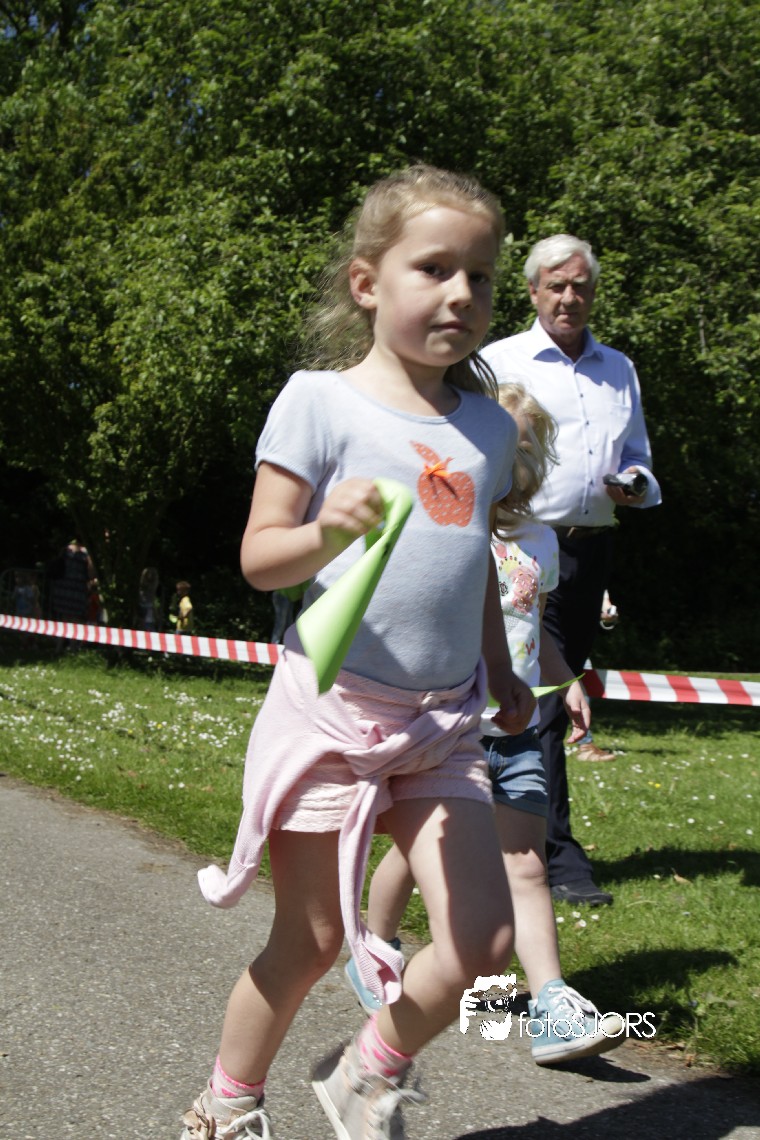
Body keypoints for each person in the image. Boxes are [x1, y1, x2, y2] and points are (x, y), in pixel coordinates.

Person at [179, 165, 535, 1140]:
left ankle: (364, 1070)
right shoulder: (320, 403)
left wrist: (502, 667)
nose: (461, 294)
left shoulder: (488, 428)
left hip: (442, 721)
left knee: (482, 943)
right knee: (310, 940)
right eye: (435, 269)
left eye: (480, 276)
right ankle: (225, 1105)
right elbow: (260, 557)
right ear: (367, 283)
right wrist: (325, 534)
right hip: (332, 714)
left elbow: (469, 558)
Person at [345, 382, 625, 1066]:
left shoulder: (540, 540)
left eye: (522, 446)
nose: (509, 457)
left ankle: (552, 1004)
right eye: (498, 442)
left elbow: (536, 627)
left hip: (519, 732)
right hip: (450, 731)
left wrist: (569, 683)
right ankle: (376, 946)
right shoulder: (444, 524)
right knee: (414, 855)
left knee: (525, 865)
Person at [481, 234, 661, 906]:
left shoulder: (619, 368)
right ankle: (552, 858)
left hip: (589, 550)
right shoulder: (499, 359)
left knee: (557, 694)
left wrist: (637, 485)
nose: (569, 297)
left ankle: (518, 844)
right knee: (539, 700)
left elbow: (641, 457)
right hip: (515, 543)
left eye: (580, 285)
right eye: (556, 285)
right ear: (533, 291)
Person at [137, 567, 161, 631]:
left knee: (148, 625)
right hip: (144, 607)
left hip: (149, 608)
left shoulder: (152, 588)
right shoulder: (143, 586)